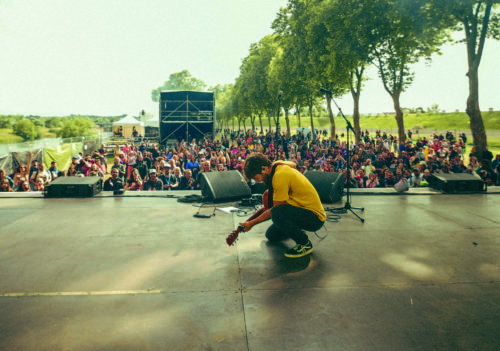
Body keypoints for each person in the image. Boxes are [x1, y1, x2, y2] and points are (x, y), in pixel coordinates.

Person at [239, 153, 326, 258]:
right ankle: (296, 228)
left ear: (263, 169)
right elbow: (293, 164)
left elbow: (275, 210)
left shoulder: (279, 176)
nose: (257, 181)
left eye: (256, 177)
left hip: (315, 218)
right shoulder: (276, 165)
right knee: (271, 235)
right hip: (300, 210)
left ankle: (304, 244)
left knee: (277, 213)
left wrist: (252, 223)